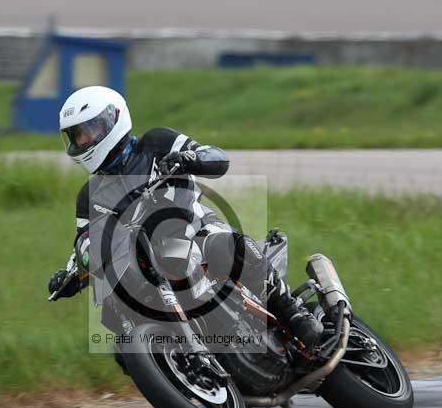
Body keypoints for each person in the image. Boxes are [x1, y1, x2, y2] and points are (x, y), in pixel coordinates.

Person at [47, 86, 323, 348]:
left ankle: (292, 311)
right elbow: (88, 240)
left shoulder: (155, 143)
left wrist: (190, 159)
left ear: (113, 119)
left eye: (89, 130)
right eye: (76, 136)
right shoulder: (90, 196)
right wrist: (72, 272)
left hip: (195, 227)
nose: (83, 141)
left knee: (227, 246)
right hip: (144, 258)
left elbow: (216, 157)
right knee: (116, 314)